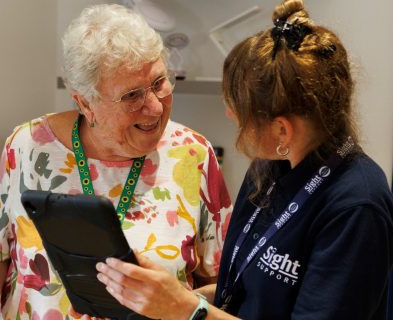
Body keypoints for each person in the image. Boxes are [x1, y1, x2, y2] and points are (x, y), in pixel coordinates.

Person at [95, 0, 393, 319]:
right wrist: (172, 295)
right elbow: (245, 287)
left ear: (282, 130)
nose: (229, 114)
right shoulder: (270, 167)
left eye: (239, 107)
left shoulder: (356, 208)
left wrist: (186, 310)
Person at [0, 4, 232, 320]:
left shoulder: (193, 154)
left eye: (158, 83)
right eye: (132, 96)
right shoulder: (27, 147)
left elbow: (220, 282)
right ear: (86, 103)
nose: (155, 107)